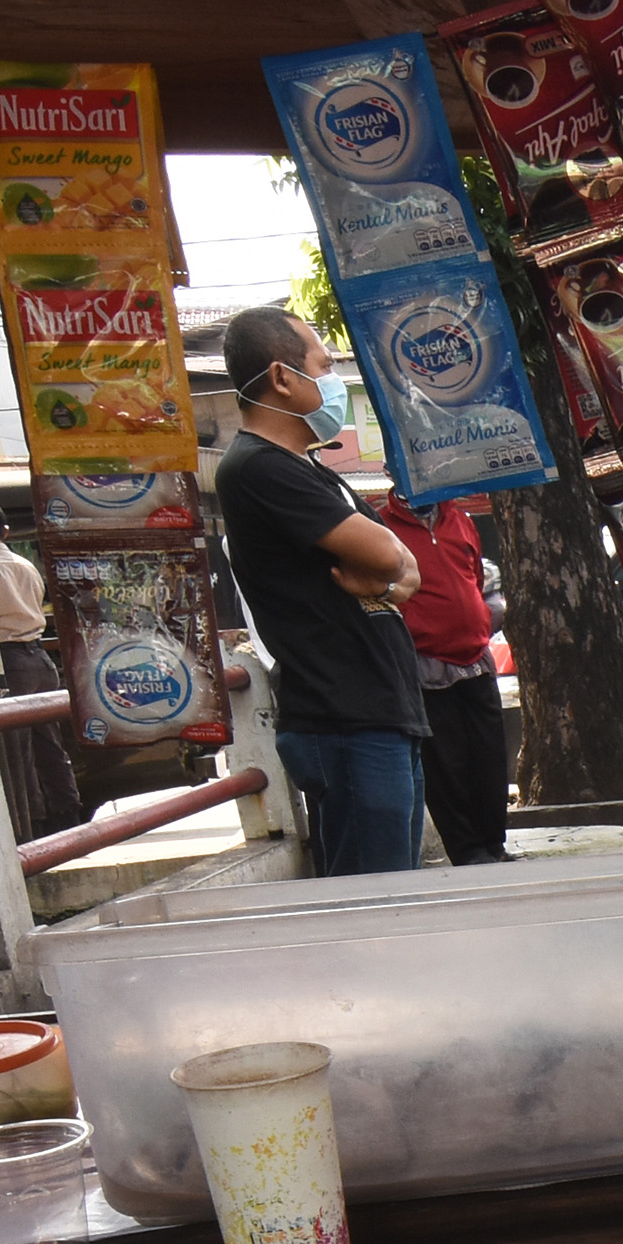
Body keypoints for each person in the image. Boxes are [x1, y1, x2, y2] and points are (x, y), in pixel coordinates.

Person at [213, 305, 427, 877]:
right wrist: (384, 568)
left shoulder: (312, 470)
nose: (332, 381)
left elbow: (408, 568)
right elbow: (387, 556)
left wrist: (385, 572)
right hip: (343, 716)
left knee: (398, 900)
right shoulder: (258, 468)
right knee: (370, 915)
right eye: (323, 365)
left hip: (379, 711)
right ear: (283, 377)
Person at [372, 485, 512, 865]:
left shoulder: (462, 520)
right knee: (445, 762)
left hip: (474, 656)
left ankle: (494, 844)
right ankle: (466, 850)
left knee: (489, 755)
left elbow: (476, 582)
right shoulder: (379, 527)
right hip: (424, 662)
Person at [0, 499, 84, 837]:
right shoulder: (24, 564)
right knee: (49, 744)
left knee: (14, 749)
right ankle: (67, 816)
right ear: (5, 532)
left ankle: (29, 826)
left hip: (6, 662)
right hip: (38, 658)